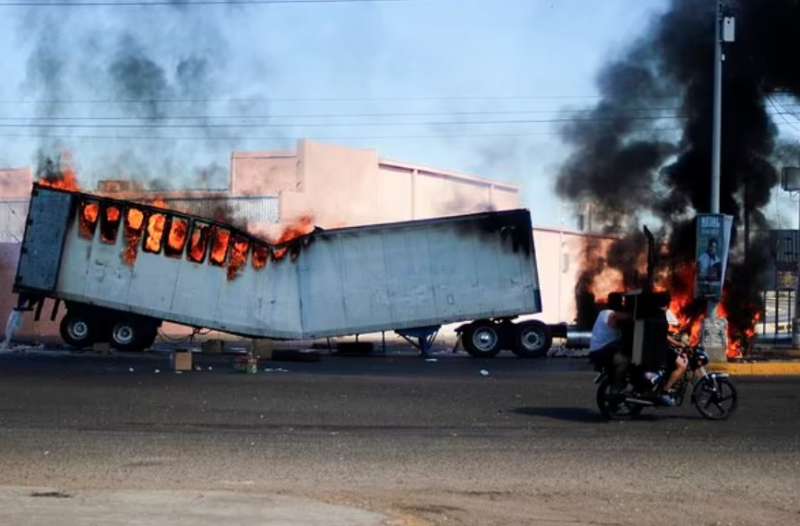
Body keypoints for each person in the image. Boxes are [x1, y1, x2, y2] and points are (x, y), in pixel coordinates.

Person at [589, 293, 630, 393]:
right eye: (621, 301)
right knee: (624, 361)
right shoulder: (609, 313)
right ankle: (616, 388)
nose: (622, 304)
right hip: (602, 351)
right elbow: (616, 318)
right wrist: (633, 314)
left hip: (600, 350)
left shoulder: (603, 312)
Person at [659, 307, 689, 406]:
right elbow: (663, 335)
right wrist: (677, 343)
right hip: (661, 349)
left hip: (661, 347)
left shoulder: (656, 314)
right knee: (682, 366)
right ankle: (665, 391)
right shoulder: (660, 316)